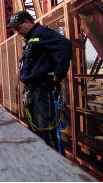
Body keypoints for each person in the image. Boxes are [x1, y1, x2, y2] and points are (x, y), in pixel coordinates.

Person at [7, 10, 72, 155]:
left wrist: (59, 75)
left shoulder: (42, 32)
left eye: (18, 28)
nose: (17, 32)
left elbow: (65, 45)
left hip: (43, 93)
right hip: (33, 94)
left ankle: (58, 173)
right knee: (37, 135)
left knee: (48, 138)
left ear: (28, 22)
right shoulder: (31, 38)